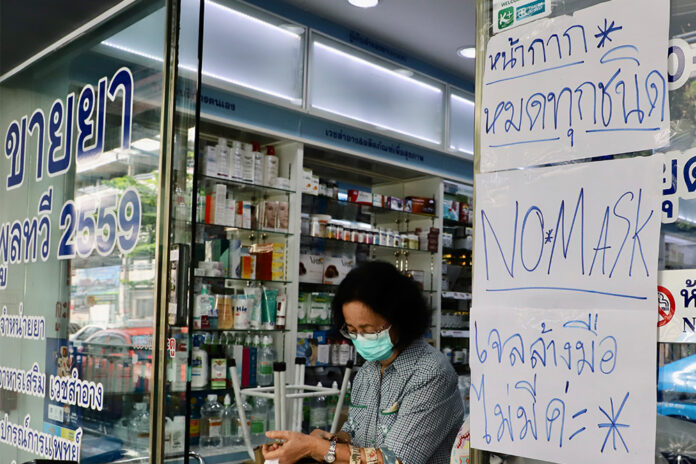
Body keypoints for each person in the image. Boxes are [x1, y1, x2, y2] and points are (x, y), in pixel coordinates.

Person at [263, 261, 464, 464]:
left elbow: (396, 460)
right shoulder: (368, 371)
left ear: (401, 320)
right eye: (351, 329)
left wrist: (317, 447)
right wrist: (329, 441)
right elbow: (357, 434)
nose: (360, 338)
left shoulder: (431, 374)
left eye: (368, 330)